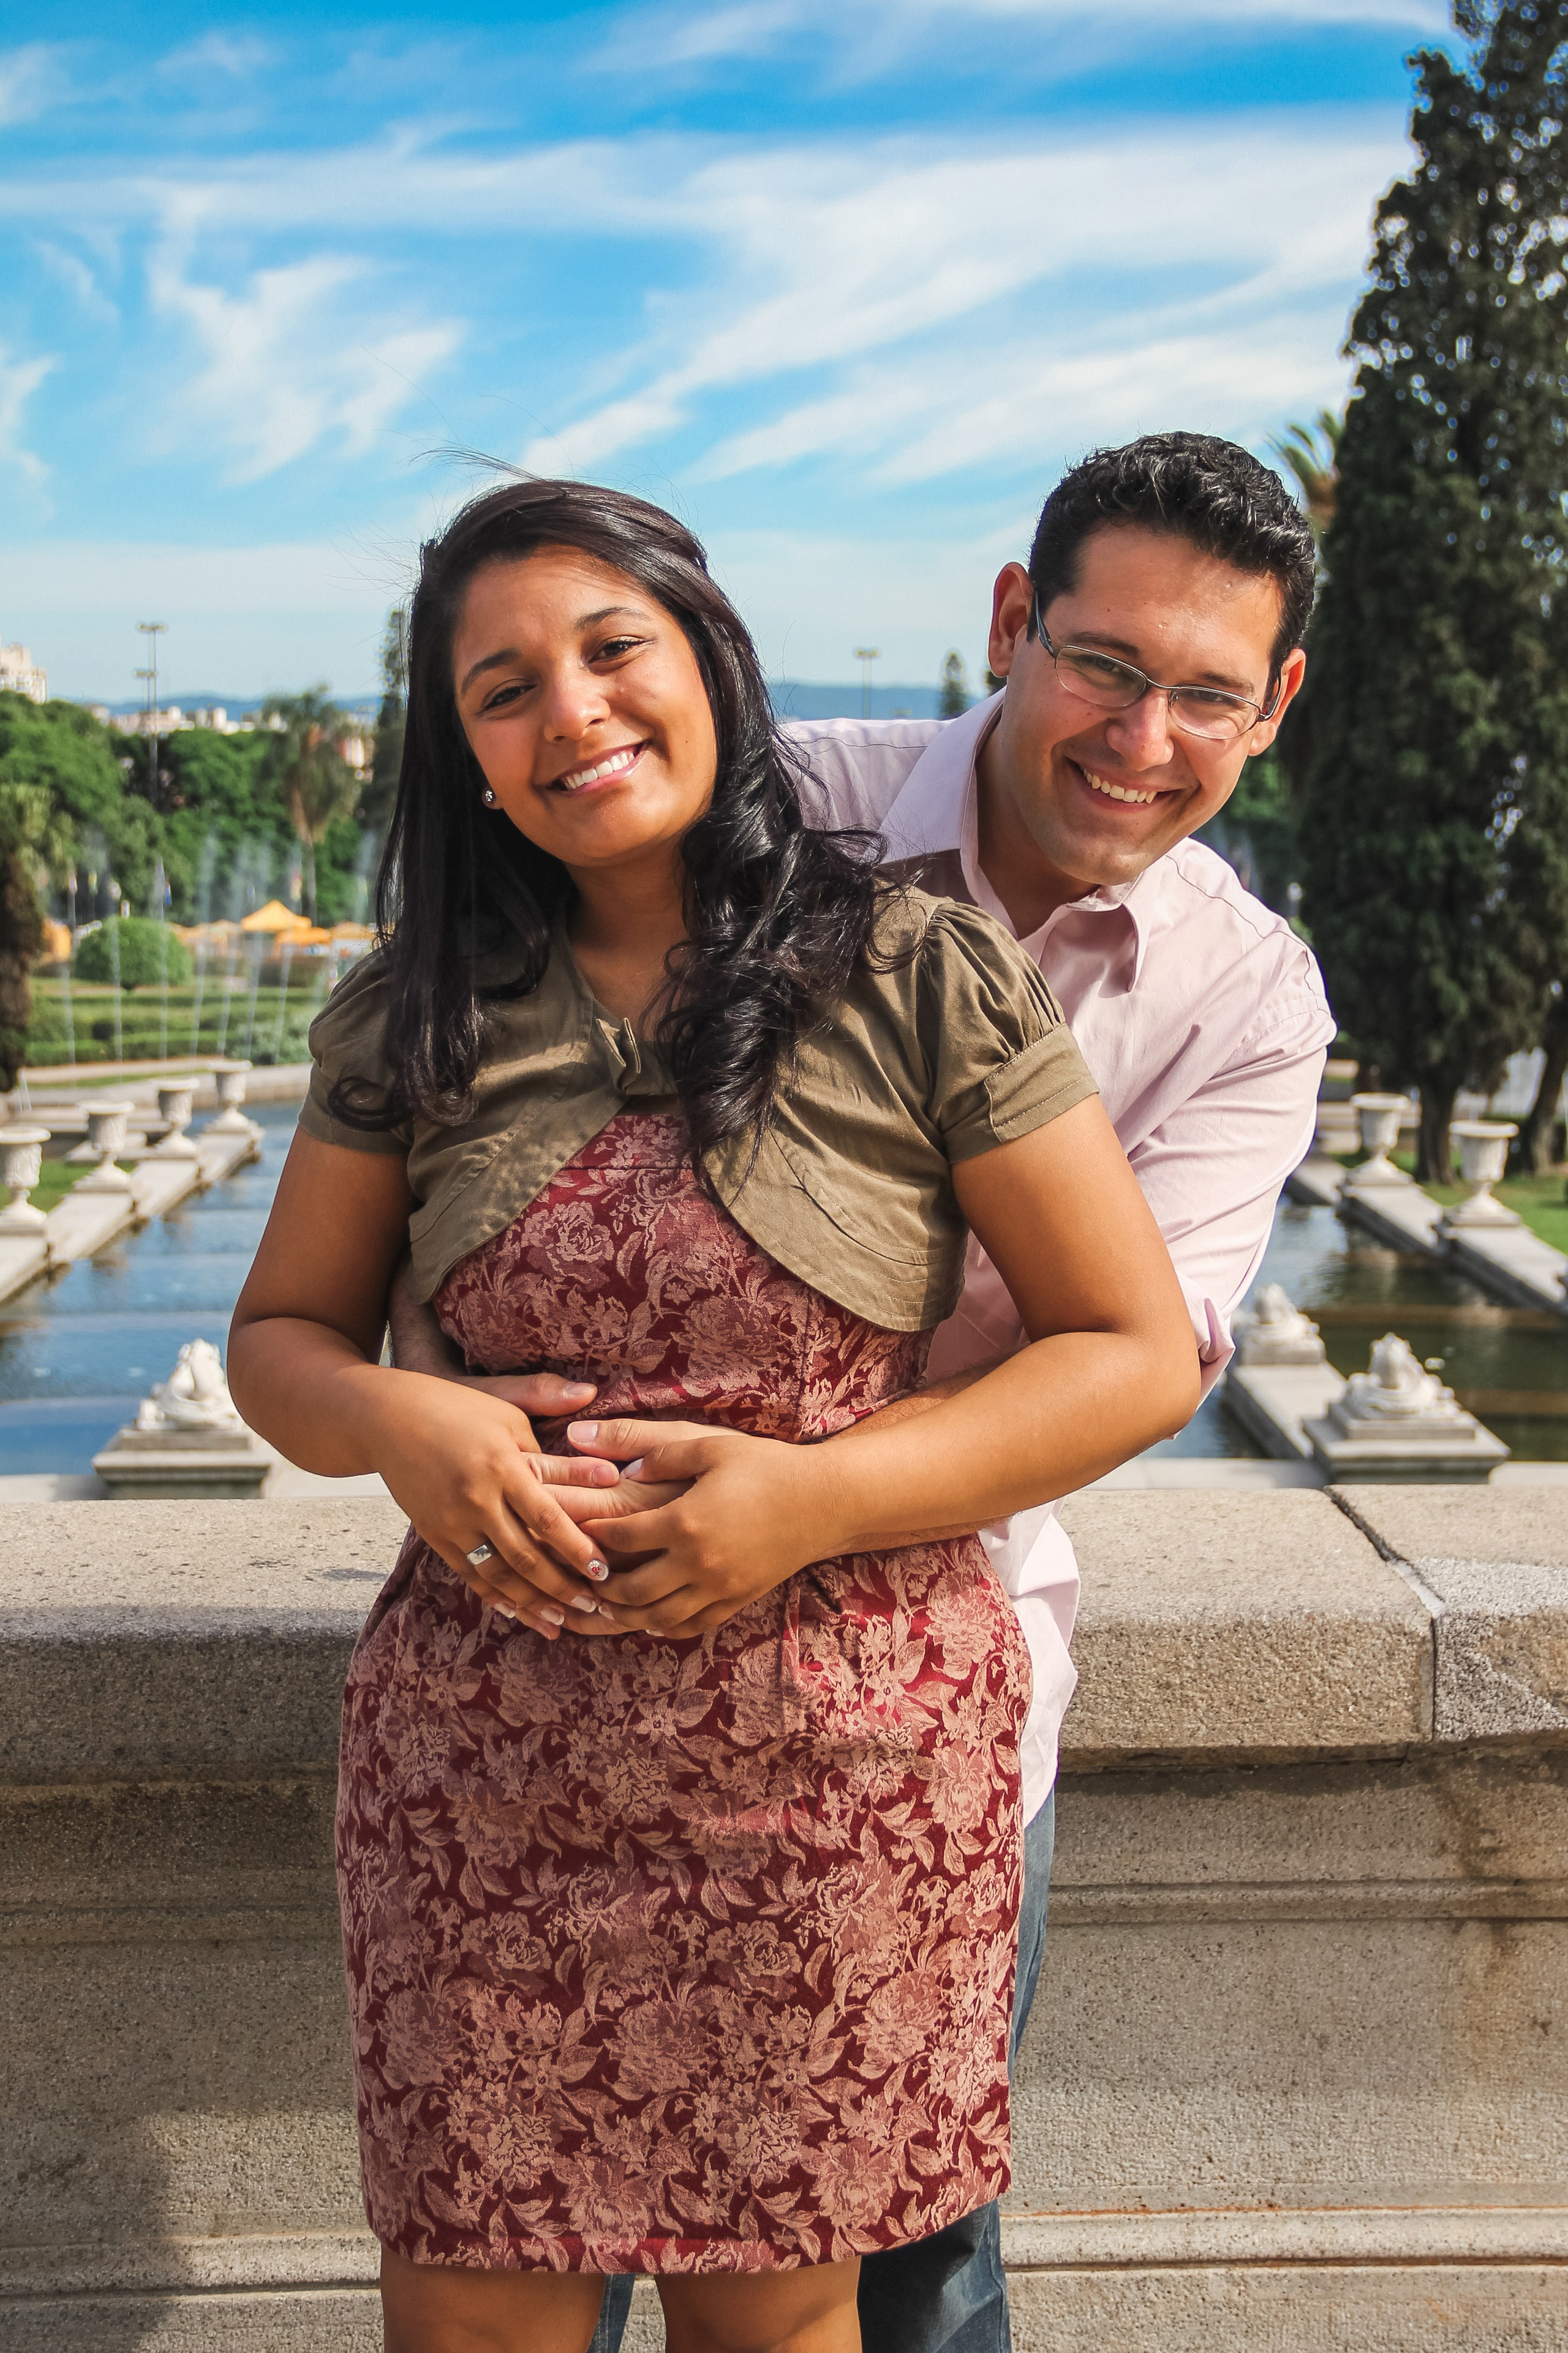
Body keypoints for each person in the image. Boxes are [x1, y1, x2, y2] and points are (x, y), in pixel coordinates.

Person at [228, 476, 1198, 2353]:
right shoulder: (410, 1013)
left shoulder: (915, 970)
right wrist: (397, 1420)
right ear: (468, 759)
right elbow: (280, 1335)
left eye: (611, 650)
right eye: (502, 690)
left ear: (711, 663)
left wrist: (810, 1504)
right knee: (469, 2314)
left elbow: (1131, 1345)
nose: (570, 714)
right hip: (487, 1776)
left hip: (826, 1773)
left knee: (778, 2317)